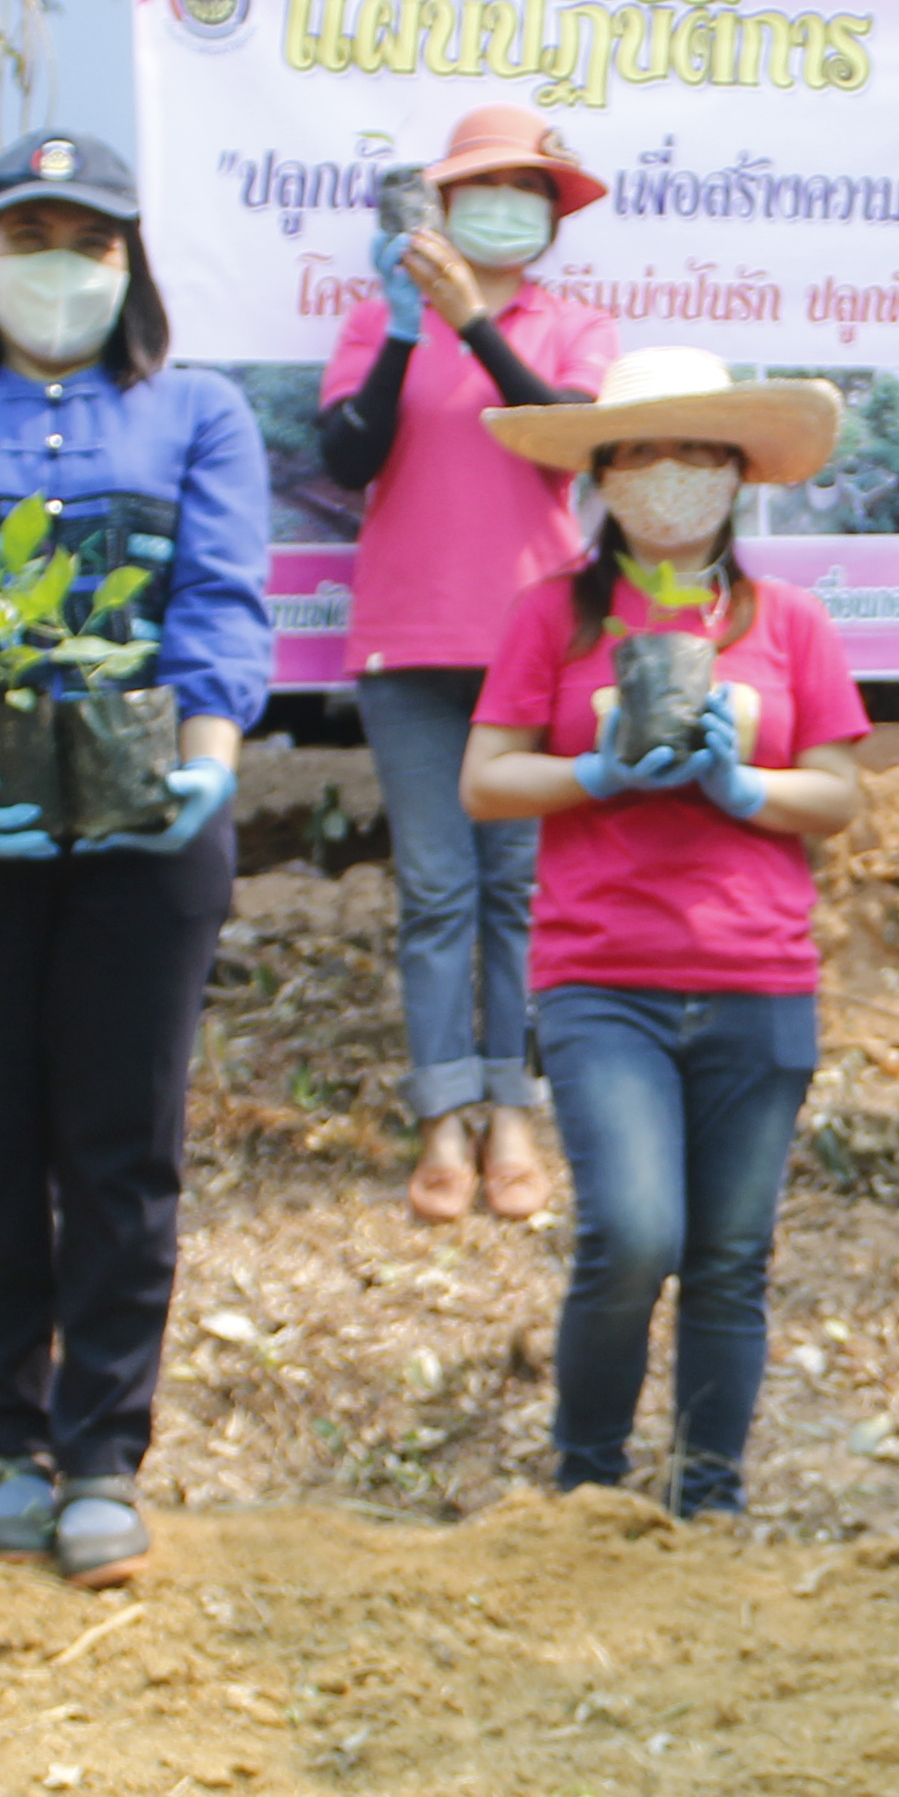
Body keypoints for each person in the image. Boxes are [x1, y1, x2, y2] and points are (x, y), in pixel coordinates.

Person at [0, 128, 271, 1593]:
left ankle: (103, 1451)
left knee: (122, 1138)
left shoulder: (197, 413)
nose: (60, 266)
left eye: (90, 242)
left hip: (152, 830)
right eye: (31, 236)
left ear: (129, 262)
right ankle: (7, 1437)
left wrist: (206, 770)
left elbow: (221, 600)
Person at [459, 352, 872, 1514]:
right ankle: (589, 1488)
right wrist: (594, 771)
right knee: (635, 1234)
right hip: (604, 978)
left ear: (740, 473)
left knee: (731, 1261)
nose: (672, 475)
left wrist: (750, 793)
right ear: (603, 474)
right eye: (642, 450)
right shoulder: (554, 614)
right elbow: (485, 780)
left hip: (760, 975)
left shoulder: (789, 622)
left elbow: (838, 795)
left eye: (699, 451)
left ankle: (709, 1499)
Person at [320, 103, 621, 1223]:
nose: (513, 206)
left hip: (538, 647)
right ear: (439, 202)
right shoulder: (374, 322)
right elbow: (349, 457)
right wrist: (409, 329)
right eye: (490, 185)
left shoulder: (576, 329)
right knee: (439, 892)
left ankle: (514, 1114)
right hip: (407, 647)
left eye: (535, 191)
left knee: (522, 893)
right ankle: (442, 1115)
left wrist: (474, 325)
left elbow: (568, 439)